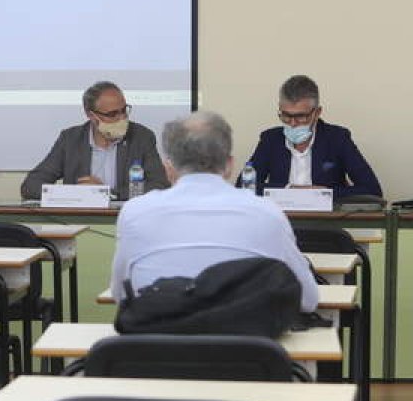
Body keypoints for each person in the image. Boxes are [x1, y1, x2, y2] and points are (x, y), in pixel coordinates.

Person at [111, 110, 319, 313]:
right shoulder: (267, 213)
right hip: (243, 334)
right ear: (230, 165)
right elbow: (308, 300)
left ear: (169, 168)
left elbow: (120, 296)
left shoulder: (135, 213)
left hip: (159, 334)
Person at [20, 81, 168, 200]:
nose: (122, 118)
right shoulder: (70, 139)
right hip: (80, 219)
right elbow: (30, 186)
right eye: (112, 114)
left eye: (124, 110)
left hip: (125, 215)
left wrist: (107, 193)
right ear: (91, 115)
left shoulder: (141, 137)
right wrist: (75, 194)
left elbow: (160, 186)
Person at [243, 75, 382, 198]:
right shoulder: (270, 140)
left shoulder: (337, 138)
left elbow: (372, 190)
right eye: (286, 115)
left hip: (325, 218)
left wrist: (324, 193)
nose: (292, 123)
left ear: (317, 113)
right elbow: (244, 186)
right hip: (281, 217)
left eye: (301, 116)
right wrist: (290, 190)